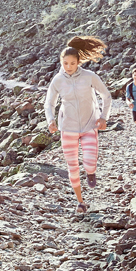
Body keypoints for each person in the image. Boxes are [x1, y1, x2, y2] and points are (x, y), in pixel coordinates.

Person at [45, 36, 113, 214]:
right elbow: (49, 103)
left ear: (78, 62)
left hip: (90, 125)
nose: (68, 67)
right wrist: (50, 120)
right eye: (65, 63)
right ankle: (80, 202)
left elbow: (106, 96)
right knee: (72, 167)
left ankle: (91, 172)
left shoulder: (89, 77)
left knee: (89, 163)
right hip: (67, 128)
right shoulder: (57, 80)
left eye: (72, 63)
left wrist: (104, 118)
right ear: (61, 62)